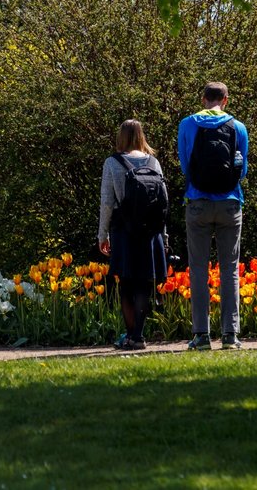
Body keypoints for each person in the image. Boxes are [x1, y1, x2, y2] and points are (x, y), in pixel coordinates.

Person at [177, 82, 248, 351]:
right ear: (226, 100)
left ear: (203, 99)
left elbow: (185, 164)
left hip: (197, 201)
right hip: (230, 202)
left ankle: (201, 336)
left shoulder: (187, 124)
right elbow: (242, 170)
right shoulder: (238, 127)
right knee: (230, 268)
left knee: (198, 268)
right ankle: (231, 335)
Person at [99, 119, 168, 350]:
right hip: (150, 233)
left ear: (121, 136)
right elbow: (162, 204)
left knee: (127, 284)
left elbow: (107, 202)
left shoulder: (112, 163)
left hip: (124, 230)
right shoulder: (154, 162)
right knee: (144, 284)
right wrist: (164, 237)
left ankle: (131, 336)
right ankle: (138, 335)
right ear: (141, 136)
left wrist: (102, 235)